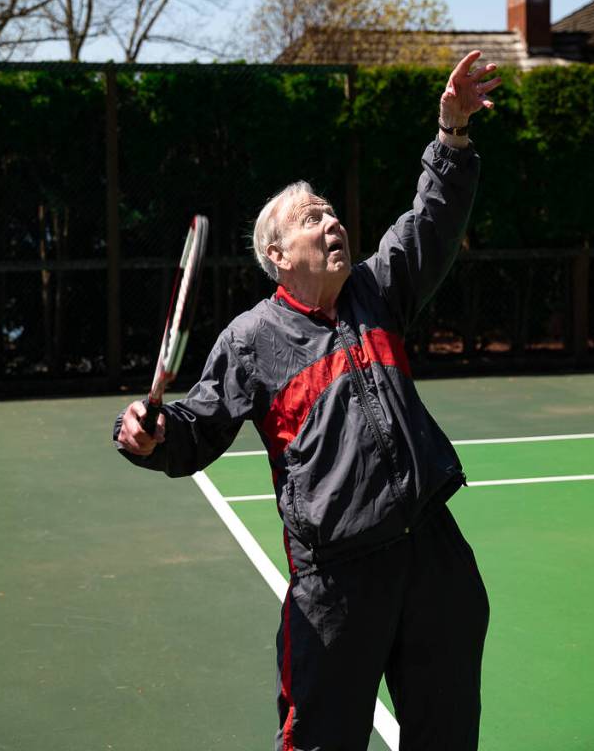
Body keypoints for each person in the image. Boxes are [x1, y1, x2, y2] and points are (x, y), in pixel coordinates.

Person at [114, 50, 501, 751]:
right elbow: (195, 423)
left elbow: (431, 220)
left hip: (432, 558)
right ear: (276, 253)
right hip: (336, 588)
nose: (332, 224)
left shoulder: (376, 291)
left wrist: (451, 135)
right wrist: (148, 434)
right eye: (312, 218)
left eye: (330, 212)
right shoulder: (250, 340)